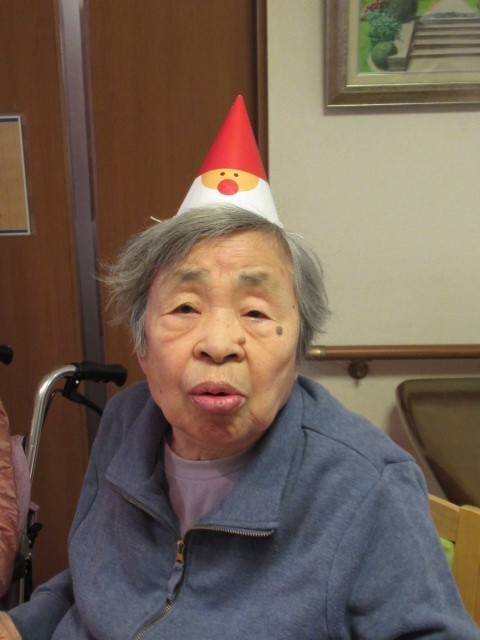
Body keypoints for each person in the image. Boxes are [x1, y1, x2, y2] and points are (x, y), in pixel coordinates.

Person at [1, 97, 479, 639]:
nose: (219, 344)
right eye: (185, 308)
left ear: (298, 347)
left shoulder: (367, 485)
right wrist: (20, 625)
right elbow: (93, 583)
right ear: (141, 345)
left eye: (255, 312)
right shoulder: (125, 421)